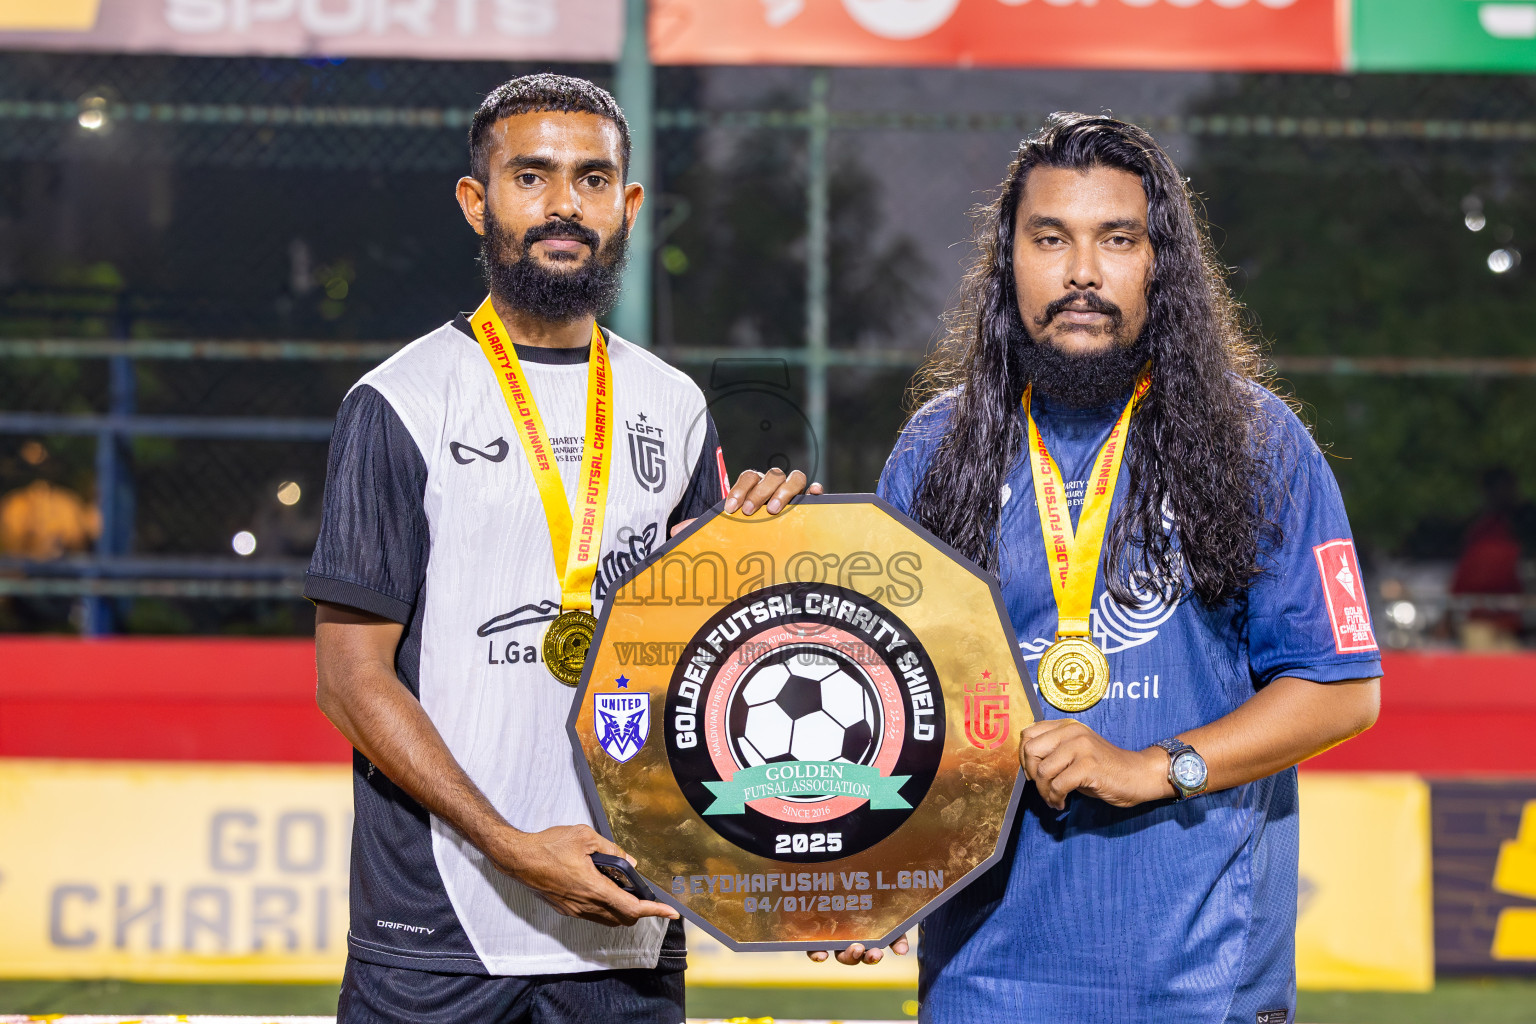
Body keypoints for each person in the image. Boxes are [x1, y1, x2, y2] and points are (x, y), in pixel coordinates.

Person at [816, 113, 1382, 1023]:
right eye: (1051, 239)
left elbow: (1342, 687)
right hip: (982, 981)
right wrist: (867, 869)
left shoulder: (1259, 442)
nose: (1082, 272)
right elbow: (885, 696)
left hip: (1202, 981)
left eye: (1117, 239)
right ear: (1009, 263)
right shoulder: (936, 448)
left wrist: (1158, 766)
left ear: (1162, 263)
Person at [307, 74, 818, 1024]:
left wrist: (766, 560)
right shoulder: (401, 402)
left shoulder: (673, 404)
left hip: (626, 915)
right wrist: (511, 846)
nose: (563, 205)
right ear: (477, 201)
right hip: (439, 934)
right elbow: (349, 680)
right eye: (531, 176)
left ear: (628, 205)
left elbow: (708, 667)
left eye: (592, 179)